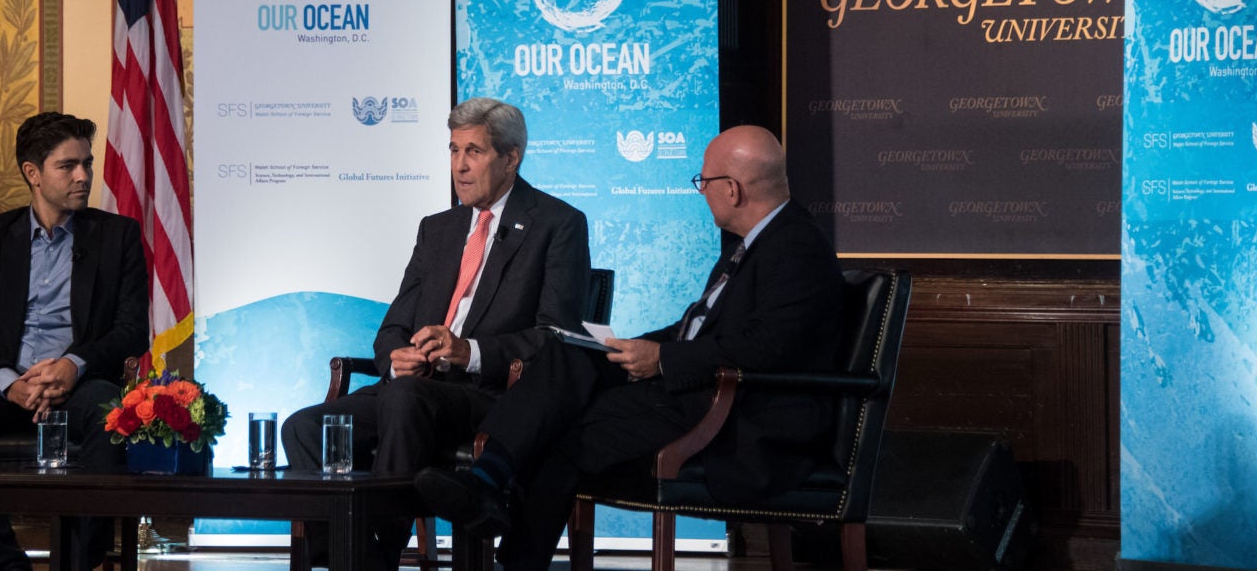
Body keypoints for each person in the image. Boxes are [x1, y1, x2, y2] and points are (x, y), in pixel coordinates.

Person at [415, 125, 843, 570]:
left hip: (740, 415)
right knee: (569, 352)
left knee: (564, 432)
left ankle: (507, 533)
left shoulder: (796, 247)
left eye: (704, 182)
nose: (702, 192)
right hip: (693, 394)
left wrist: (662, 359)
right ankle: (490, 481)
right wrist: (635, 346)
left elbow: (769, 347)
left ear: (732, 190)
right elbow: (699, 328)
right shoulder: (754, 243)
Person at [282, 97, 591, 569]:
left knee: (405, 399)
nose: (460, 167)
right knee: (304, 427)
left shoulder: (557, 224)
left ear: (511, 158)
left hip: (488, 395)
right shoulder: (438, 229)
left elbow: (555, 336)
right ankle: (348, 553)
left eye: (474, 152)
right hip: (414, 386)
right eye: (453, 150)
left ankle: (377, 553)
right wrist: (394, 357)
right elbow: (393, 325)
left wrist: (470, 351)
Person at [0, 112, 149, 571]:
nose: (84, 176)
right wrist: (10, 383)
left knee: (110, 408)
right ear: (33, 173)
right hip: (9, 384)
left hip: (80, 385)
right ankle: (8, 564)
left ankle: (78, 564)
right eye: (68, 166)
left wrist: (72, 364)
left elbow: (130, 332)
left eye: (86, 163)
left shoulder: (116, 236)